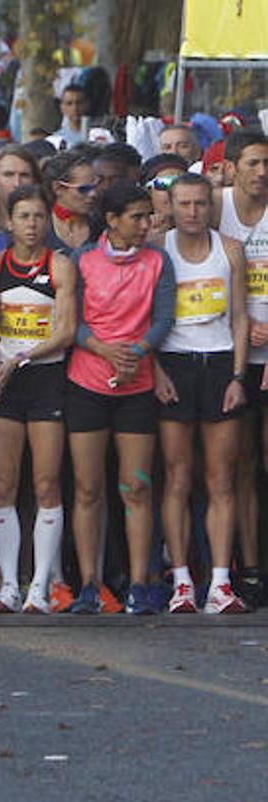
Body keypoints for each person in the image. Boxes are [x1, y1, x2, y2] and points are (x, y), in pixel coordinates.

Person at [66, 185, 174, 614]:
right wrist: (102, 349)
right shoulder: (83, 260)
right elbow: (70, 322)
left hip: (137, 384)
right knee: (88, 489)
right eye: (137, 217)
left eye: (148, 216)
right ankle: (90, 583)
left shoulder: (157, 261)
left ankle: (139, 582)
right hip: (87, 382)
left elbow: (164, 318)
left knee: (137, 488)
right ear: (111, 220)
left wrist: (137, 352)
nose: (146, 224)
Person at [154, 175, 249, 613]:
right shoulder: (158, 247)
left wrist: (238, 376)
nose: (193, 212)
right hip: (173, 365)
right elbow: (144, 316)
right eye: (185, 204)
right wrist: (155, 370)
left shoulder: (229, 249)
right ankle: (181, 581)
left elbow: (240, 319)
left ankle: (221, 582)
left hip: (218, 365)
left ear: (211, 206)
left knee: (221, 480)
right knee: (177, 478)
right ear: (171, 206)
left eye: (200, 204)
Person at [0, 186, 76, 613]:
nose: (32, 225)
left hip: (44, 378)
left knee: (46, 483)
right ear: (9, 221)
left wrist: (19, 357)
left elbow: (66, 330)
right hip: (5, 380)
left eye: (39, 216)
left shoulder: (59, 266)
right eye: (24, 216)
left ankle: (40, 584)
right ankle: (7, 585)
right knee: (3, 484)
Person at [219, 130, 268, 608]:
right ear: (232, 166)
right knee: (241, 464)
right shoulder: (216, 207)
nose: (262, 172)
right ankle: (249, 567)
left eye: (267, 163)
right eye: (253, 163)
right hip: (231, 356)